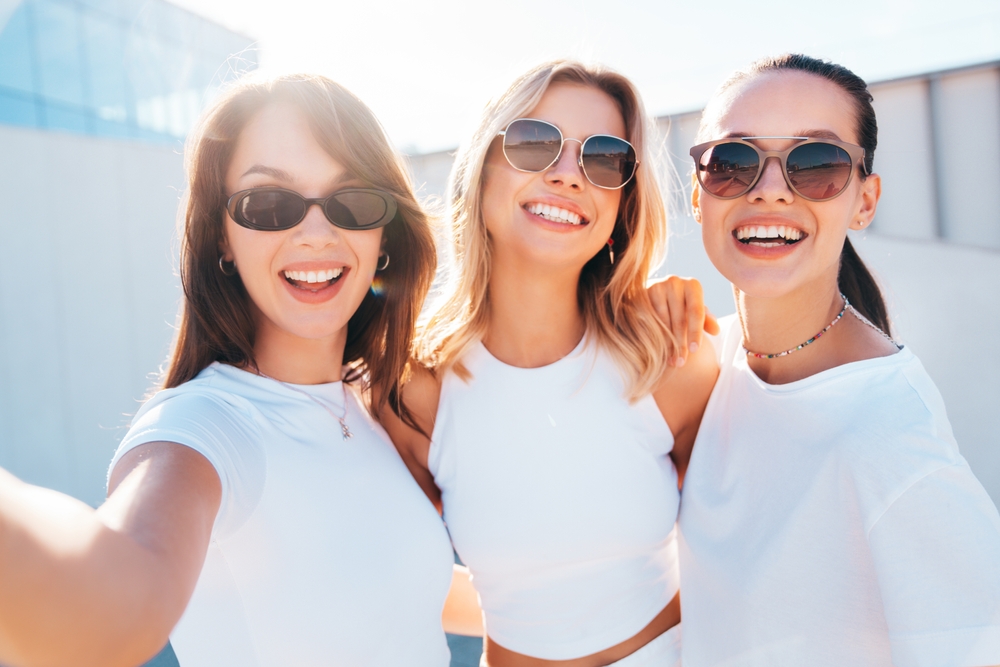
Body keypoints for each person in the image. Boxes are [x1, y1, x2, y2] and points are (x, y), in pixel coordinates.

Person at [0, 74, 469, 667]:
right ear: (221, 237)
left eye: (352, 200)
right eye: (269, 204)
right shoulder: (202, 427)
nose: (317, 234)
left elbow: (396, 587)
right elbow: (107, 605)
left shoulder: (372, 402)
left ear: (384, 235)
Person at [381, 60, 718, 667]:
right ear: (481, 169)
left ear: (623, 205)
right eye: (534, 142)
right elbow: (390, 579)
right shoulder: (415, 390)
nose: (567, 175)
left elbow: (751, 553)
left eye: (604, 158)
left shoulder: (668, 359)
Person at [672, 54, 1000, 666]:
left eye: (817, 164)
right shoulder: (707, 361)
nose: (769, 188)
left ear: (864, 202)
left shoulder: (887, 438)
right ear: (698, 195)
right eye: (732, 161)